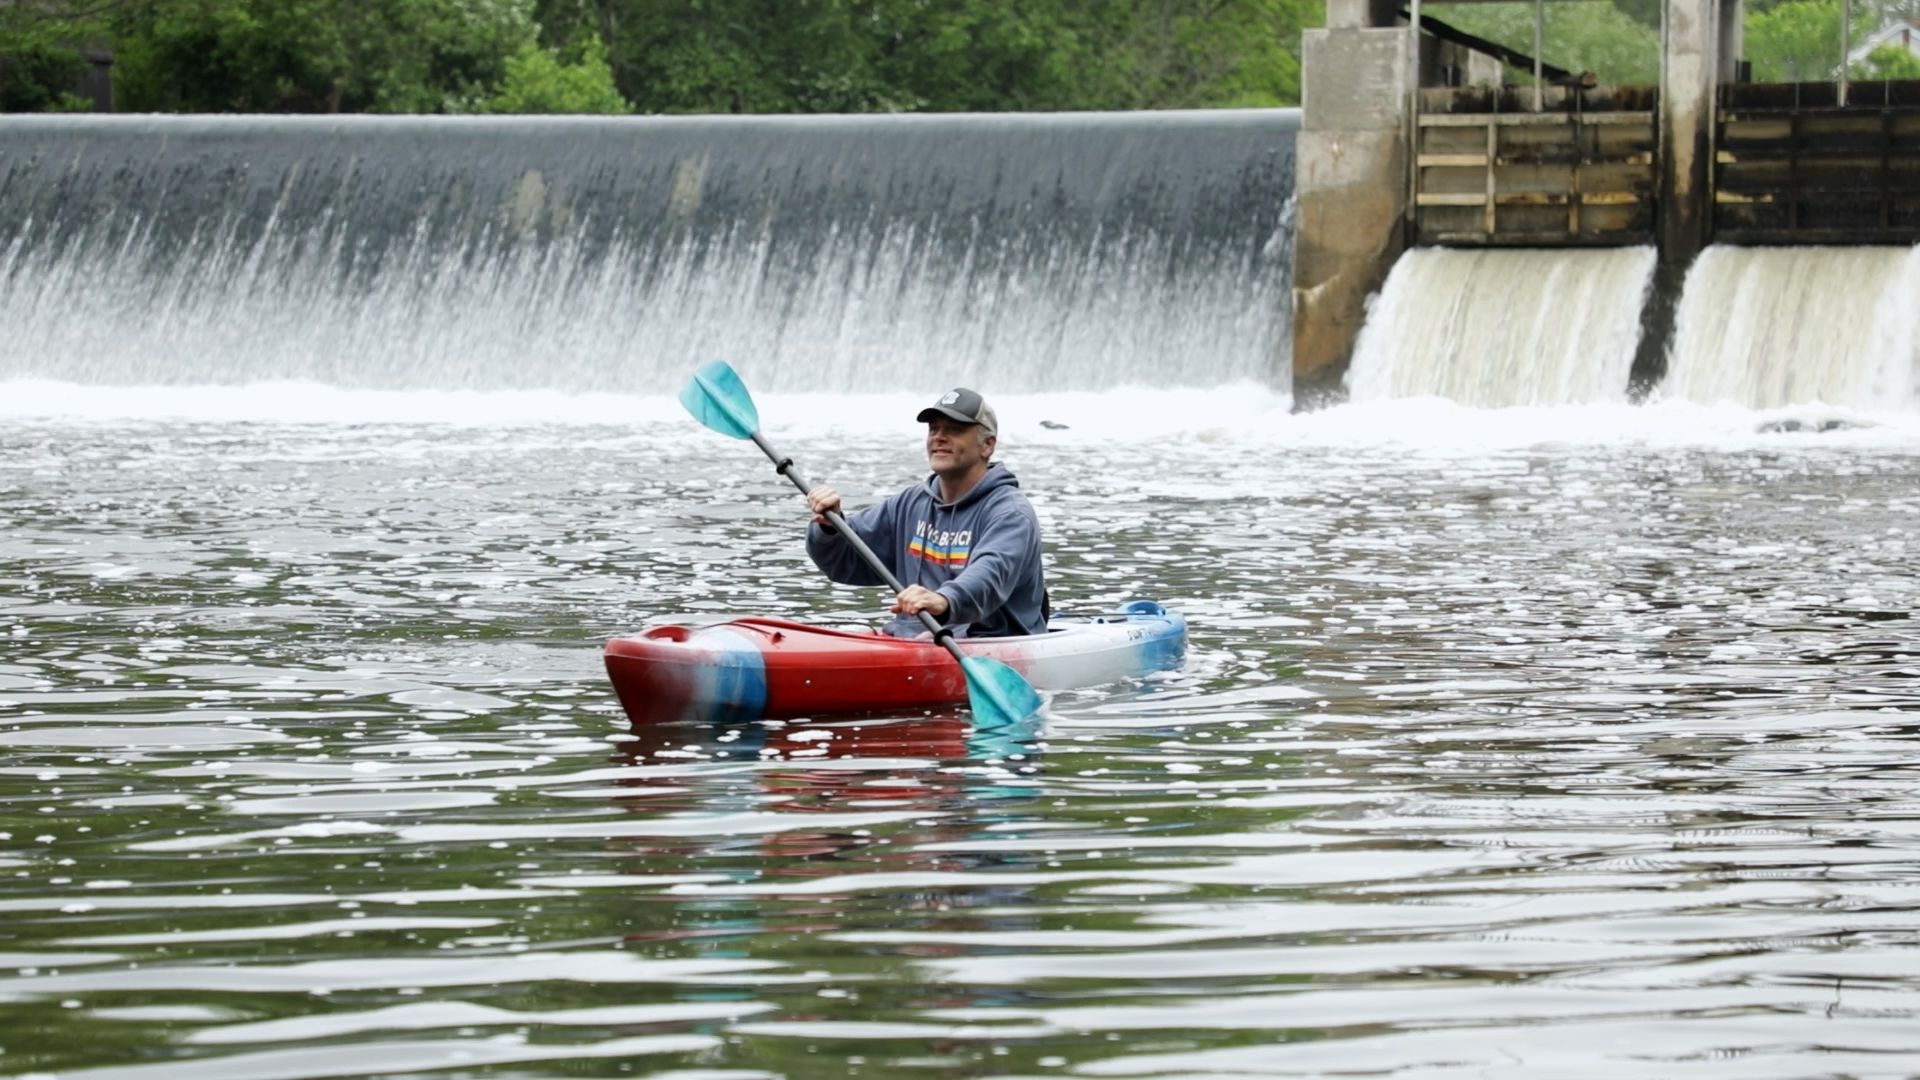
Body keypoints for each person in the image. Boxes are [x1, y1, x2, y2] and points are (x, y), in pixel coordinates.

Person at [805, 387, 1048, 638]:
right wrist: (830, 527)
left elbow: (990, 574)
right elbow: (842, 563)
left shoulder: (1011, 514)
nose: (939, 437)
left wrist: (944, 601)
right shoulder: (909, 504)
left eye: (954, 429)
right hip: (913, 644)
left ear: (987, 445)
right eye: (934, 429)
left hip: (993, 644)